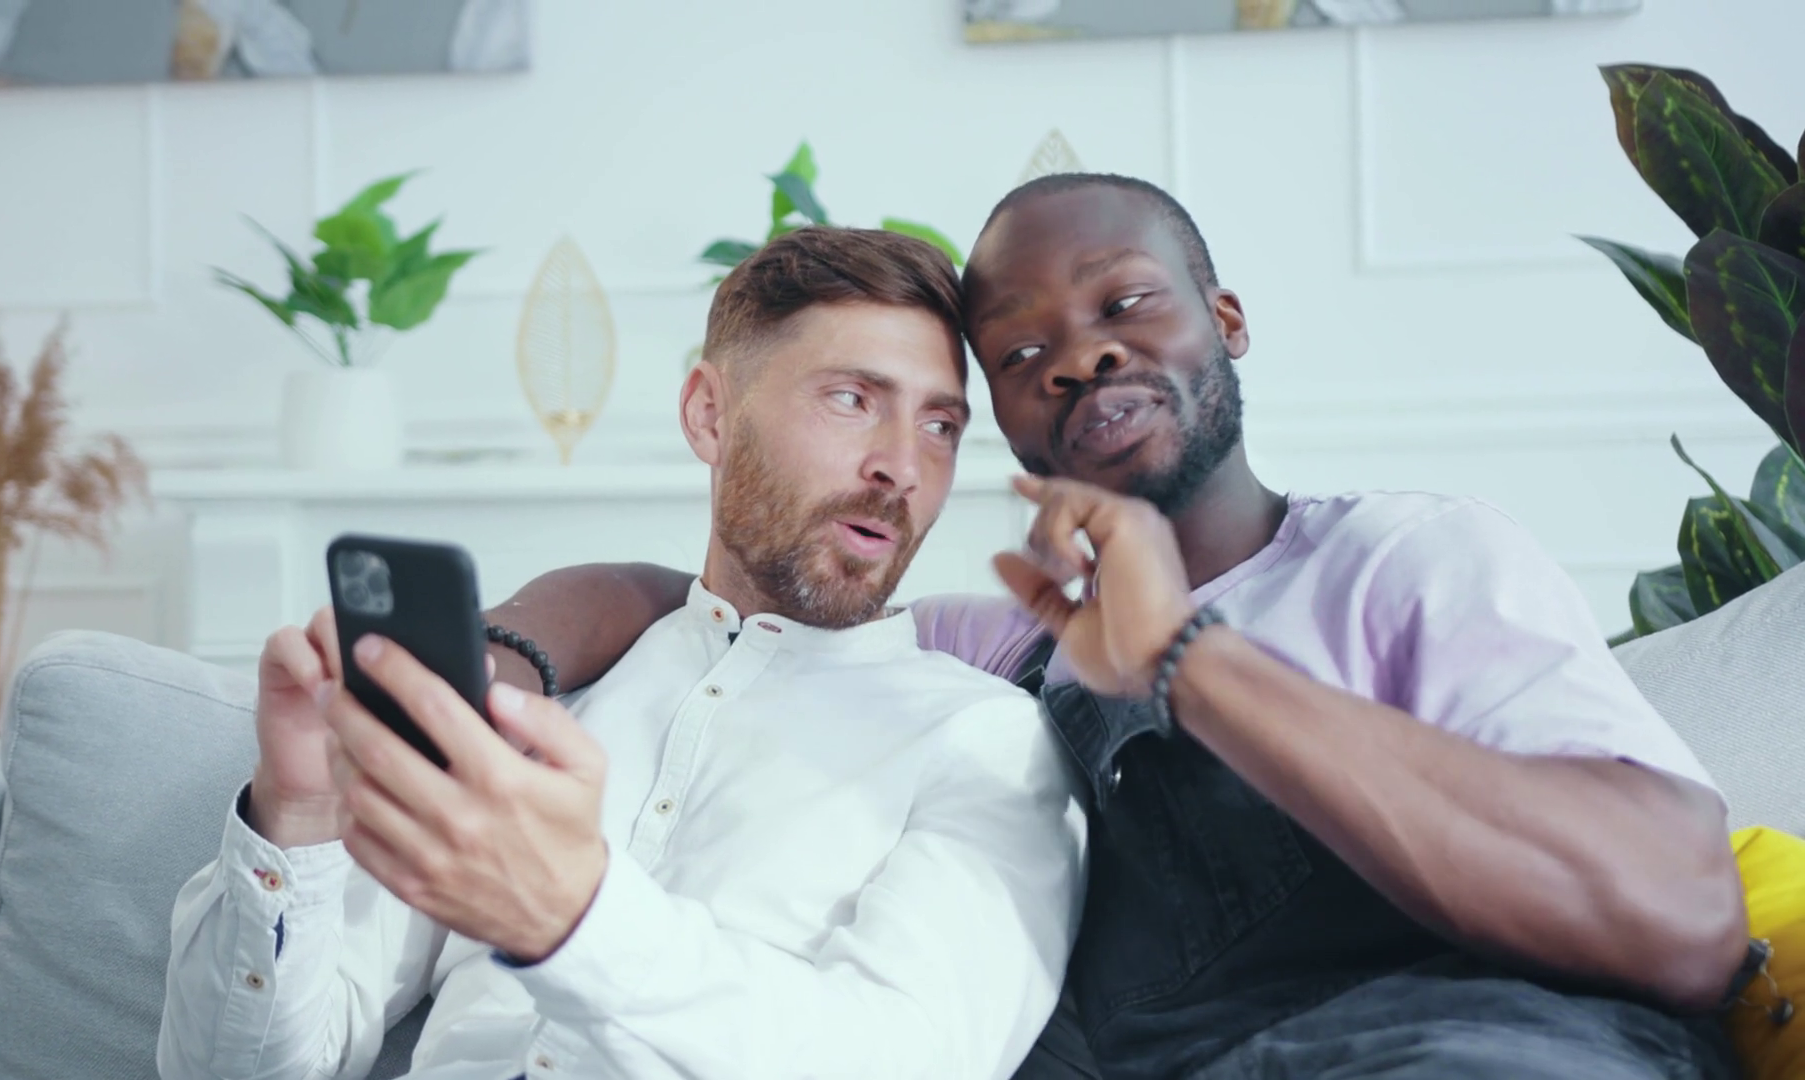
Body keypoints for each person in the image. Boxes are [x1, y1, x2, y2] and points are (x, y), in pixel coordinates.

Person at [500, 174, 1751, 1079]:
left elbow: (1683, 918)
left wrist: (1187, 662)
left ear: (1227, 320)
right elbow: (727, 605)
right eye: (1020, 353)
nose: (1079, 358)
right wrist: (503, 649)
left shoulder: (1405, 560)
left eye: (1128, 303)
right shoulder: (1003, 648)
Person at [157, 226, 1088, 1080]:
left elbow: (908, 1058)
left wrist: (577, 918)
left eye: (940, 426)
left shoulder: (989, 742)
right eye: (852, 399)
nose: (904, 466)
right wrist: (297, 815)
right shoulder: (548, 693)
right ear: (709, 415)